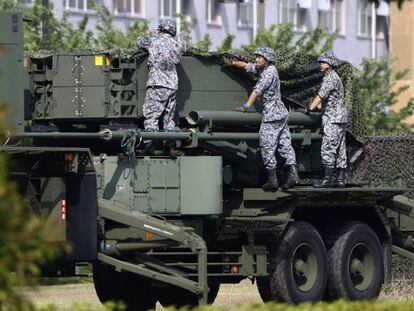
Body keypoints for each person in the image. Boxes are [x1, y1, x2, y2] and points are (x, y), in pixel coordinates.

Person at [230, 46, 299, 191]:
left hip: (272, 115)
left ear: (267, 59)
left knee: (267, 144)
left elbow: (257, 90)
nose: (256, 59)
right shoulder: (267, 69)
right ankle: (293, 174)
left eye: (259, 57)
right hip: (281, 113)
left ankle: (272, 179)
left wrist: (246, 106)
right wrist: (236, 64)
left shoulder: (268, 74)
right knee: (285, 144)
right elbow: (250, 67)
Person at [136, 18, 189, 156]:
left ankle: (150, 145)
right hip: (172, 85)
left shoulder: (153, 40)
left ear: (160, 29)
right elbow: (187, 47)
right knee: (169, 117)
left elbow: (139, 42)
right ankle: (169, 146)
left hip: (157, 84)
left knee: (152, 115)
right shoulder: (178, 44)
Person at [309, 51, 348, 188]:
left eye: (324, 62)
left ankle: (327, 179)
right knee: (340, 149)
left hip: (333, 118)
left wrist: (310, 108)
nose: (321, 65)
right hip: (339, 117)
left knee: (328, 148)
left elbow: (320, 96)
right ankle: (341, 179)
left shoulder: (330, 77)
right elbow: (327, 99)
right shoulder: (334, 77)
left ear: (330, 64)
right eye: (320, 62)